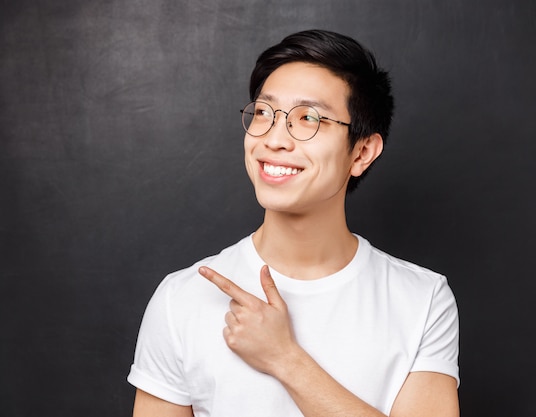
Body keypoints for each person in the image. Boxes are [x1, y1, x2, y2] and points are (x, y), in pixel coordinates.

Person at [128, 29, 460, 417]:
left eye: (308, 118)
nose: (274, 139)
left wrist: (285, 358)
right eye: (264, 113)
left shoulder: (422, 299)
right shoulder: (181, 298)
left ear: (362, 151)